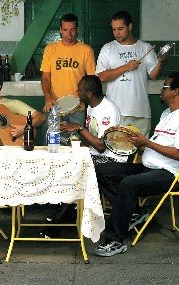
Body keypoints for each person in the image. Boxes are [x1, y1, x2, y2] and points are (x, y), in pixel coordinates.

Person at [94, 72, 179, 257]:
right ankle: (135, 212)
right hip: (147, 167)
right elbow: (157, 146)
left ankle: (115, 239)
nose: (161, 89)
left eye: (165, 87)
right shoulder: (167, 113)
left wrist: (146, 143)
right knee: (102, 170)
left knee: (129, 184)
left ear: (176, 91)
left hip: (169, 173)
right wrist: (139, 146)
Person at [41, 75, 125, 238]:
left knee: (77, 172)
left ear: (89, 94)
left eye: (79, 90)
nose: (76, 92)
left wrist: (79, 128)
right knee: (68, 165)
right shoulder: (92, 106)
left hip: (111, 158)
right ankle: (66, 213)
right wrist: (72, 129)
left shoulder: (108, 110)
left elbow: (101, 147)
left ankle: (59, 220)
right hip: (94, 154)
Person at [96, 11, 167, 137]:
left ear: (129, 27)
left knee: (139, 154)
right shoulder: (108, 48)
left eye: (120, 29)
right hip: (116, 112)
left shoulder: (145, 47)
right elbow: (102, 76)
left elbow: (153, 75)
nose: (116, 33)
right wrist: (126, 67)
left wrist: (160, 61)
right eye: (113, 29)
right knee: (117, 152)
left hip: (140, 112)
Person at [40, 13, 96, 138]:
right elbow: (45, 77)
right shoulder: (50, 49)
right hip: (54, 106)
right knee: (52, 143)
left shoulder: (86, 50)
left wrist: (80, 95)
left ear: (77, 30)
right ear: (60, 30)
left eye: (72, 30)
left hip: (78, 108)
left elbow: (91, 79)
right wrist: (48, 98)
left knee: (74, 145)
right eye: (65, 30)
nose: (69, 34)